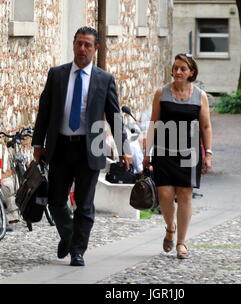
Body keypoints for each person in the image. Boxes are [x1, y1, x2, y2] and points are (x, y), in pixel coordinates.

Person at [32, 26, 131, 266]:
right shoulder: (57, 75)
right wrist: (38, 142)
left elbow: (114, 115)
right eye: (78, 43)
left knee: (85, 204)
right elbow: (44, 110)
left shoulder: (104, 79)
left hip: (91, 146)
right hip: (61, 146)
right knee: (55, 201)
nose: (82, 49)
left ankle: (77, 251)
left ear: (95, 49)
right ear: (73, 45)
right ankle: (68, 235)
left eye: (87, 45)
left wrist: (124, 148)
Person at [143, 53, 213, 259]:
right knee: (164, 194)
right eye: (176, 68)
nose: (178, 72)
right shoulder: (161, 93)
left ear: (191, 72)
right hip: (164, 151)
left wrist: (208, 153)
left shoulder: (200, 95)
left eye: (183, 68)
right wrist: (147, 152)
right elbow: (153, 123)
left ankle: (181, 242)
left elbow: (206, 126)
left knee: (184, 194)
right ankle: (169, 227)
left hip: (189, 153)